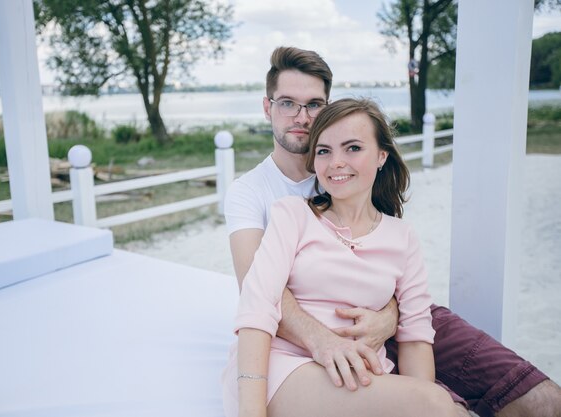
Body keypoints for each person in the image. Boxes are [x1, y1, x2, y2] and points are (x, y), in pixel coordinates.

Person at [224, 46, 561, 417]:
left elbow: (394, 267)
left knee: (544, 403)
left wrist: (390, 317)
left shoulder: (364, 185)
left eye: (314, 104)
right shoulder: (261, 197)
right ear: (267, 107)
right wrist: (325, 341)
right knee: (436, 404)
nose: (302, 117)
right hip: (308, 343)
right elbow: (259, 296)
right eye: (287, 103)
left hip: (393, 318)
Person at [222, 97, 460, 417]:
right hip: (283, 368)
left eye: (352, 148)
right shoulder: (292, 215)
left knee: (436, 402)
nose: (336, 162)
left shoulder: (402, 237)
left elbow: (416, 335)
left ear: (381, 155)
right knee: (438, 404)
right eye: (324, 151)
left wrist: (418, 396)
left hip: (360, 376)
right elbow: (257, 307)